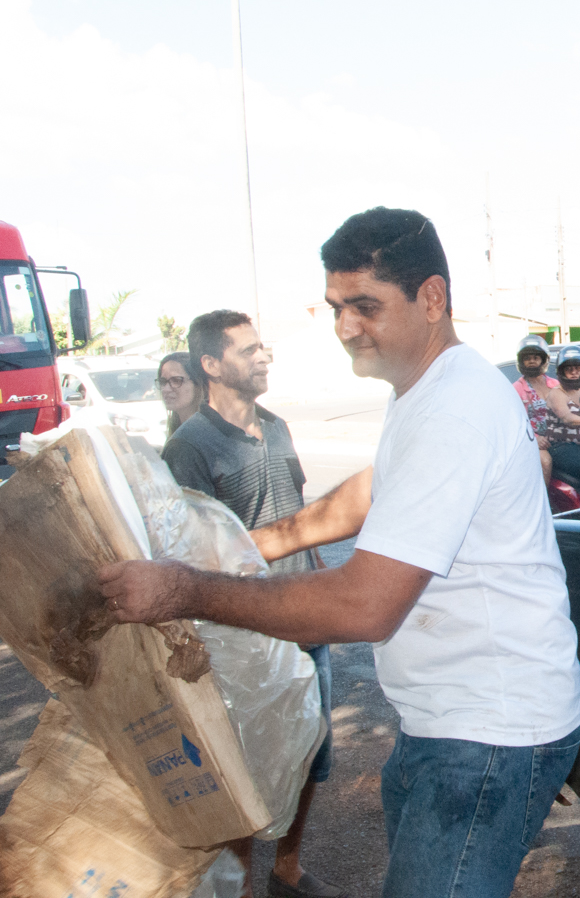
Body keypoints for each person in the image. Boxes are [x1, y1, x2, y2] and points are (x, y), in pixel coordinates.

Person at [101, 207, 580, 898]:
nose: (344, 327)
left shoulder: (455, 407)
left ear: (432, 297)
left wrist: (183, 590)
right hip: (449, 723)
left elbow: (364, 605)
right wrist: (260, 543)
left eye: (364, 306)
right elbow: (378, 490)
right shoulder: (425, 389)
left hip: (488, 736)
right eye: (336, 308)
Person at [160, 311, 340, 898]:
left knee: (310, 751)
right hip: (244, 633)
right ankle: (235, 886)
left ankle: (286, 870)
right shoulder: (189, 445)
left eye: (264, 347)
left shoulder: (279, 427)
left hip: (305, 619)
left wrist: (319, 585)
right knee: (242, 767)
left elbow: (302, 514)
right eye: (248, 349)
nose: (263, 357)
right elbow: (186, 549)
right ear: (211, 365)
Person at [545, 343, 580, 506]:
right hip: (562, 448)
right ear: (561, 371)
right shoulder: (556, 393)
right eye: (569, 369)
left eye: (577, 369)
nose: (574, 372)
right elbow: (566, 417)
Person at [513, 334, 558, 481]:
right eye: (527, 358)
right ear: (521, 361)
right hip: (533, 442)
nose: (532, 361)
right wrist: (536, 439)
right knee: (545, 462)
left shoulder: (556, 385)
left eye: (536, 358)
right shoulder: (516, 388)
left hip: (558, 438)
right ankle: (544, 503)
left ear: (544, 360)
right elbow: (515, 422)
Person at [156, 350, 201, 439]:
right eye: (163, 382)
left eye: (176, 381)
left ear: (198, 384)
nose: (166, 389)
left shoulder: (207, 433)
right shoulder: (177, 429)